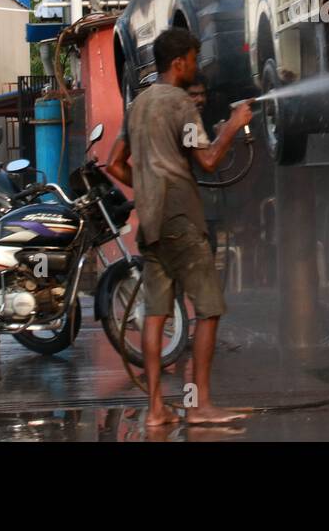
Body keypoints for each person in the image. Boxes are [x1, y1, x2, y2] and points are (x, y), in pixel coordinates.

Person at [106, 29, 253, 428]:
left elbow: (115, 162)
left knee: (155, 315)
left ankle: (156, 410)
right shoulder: (180, 103)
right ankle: (201, 405)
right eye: (193, 58)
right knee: (209, 309)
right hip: (181, 221)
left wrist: (149, 188)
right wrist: (234, 125)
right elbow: (207, 160)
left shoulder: (139, 105)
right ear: (178, 63)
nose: (196, 66)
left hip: (152, 222)